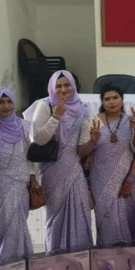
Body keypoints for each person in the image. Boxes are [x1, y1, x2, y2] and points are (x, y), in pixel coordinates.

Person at [32, 71, 93, 252]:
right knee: (56, 217)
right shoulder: (45, 106)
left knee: (80, 211)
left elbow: (84, 139)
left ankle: (81, 257)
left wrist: (91, 150)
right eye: (58, 86)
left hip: (75, 168)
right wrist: (56, 116)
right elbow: (38, 138)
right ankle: (55, 258)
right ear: (52, 88)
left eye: (67, 85)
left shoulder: (82, 108)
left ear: (73, 86)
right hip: (53, 170)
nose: (63, 89)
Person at [79, 84, 135, 246]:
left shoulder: (132, 121)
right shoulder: (92, 122)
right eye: (107, 99)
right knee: (106, 224)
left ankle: (129, 258)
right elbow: (81, 152)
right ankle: (107, 259)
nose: (112, 102)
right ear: (102, 101)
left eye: (116, 98)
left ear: (122, 99)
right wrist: (92, 142)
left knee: (128, 222)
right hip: (101, 181)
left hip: (128, 181)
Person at [0, 88, 36, 263]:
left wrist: (32, 176)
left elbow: (29, 155)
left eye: (9, 101)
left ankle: (21, 267)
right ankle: (1, 267)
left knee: (18, 227)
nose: (6, 106)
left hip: (20, 186)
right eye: (1, 102)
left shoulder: (23, 125)